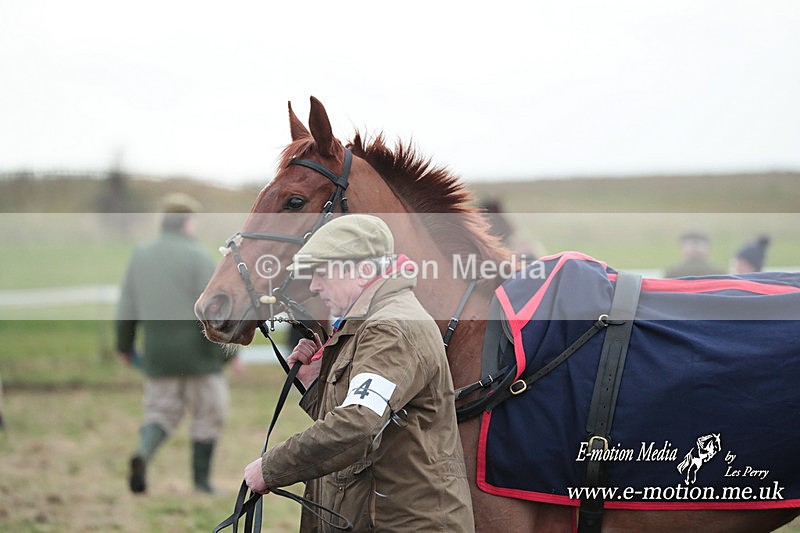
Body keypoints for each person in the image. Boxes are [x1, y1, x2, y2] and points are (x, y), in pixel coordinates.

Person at [243, 214, 475, 532]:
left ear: (365, 271)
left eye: (323, 272)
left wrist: (271, 468)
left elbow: (358, 424)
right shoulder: (367, 323)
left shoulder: (390, 327)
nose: (313, 286)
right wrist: (314, 386)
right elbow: (365, 421)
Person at [116, 193, 237, 494]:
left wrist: (125, 347)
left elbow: (126, 307)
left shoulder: (140, 255)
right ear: (187, 222)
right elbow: (217, 307)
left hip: (157, 356)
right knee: (210, 414)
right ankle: (201, 483)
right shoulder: (199, 256)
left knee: (160, 413)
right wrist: (228, 350)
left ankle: (142, 454)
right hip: (200, 356)